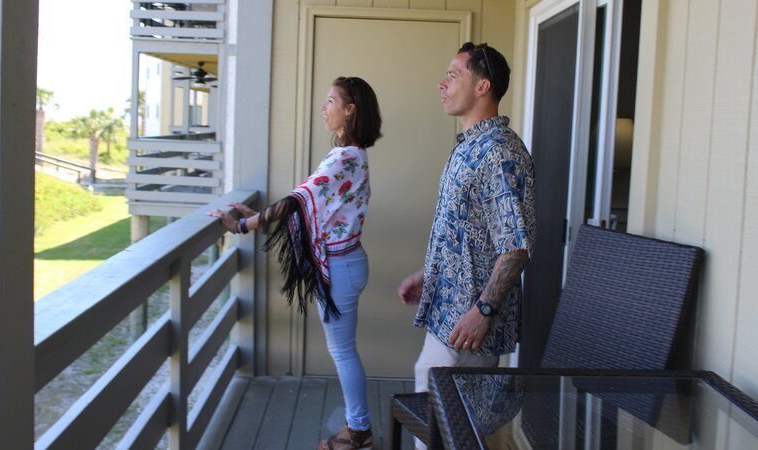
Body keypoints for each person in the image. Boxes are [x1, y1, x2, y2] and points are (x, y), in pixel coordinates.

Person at [210, 76, 382, 450]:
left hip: (341, 268)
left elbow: (296, 202)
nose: (324, 107)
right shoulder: (350, 157)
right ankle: (358, 428)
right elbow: (308, 205)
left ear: (349, 110)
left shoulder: (346, 157)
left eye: (330, 101)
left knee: (342, 351)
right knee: (344, 349)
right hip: (343, 264)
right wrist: (259, 215)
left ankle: (360, 433)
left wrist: (243, 224)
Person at [397, 42, 536, 449]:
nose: (442, 84)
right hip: (450, 309)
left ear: (483, 86)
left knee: (446, 428)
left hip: (468, 325)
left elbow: (515, 248)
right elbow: (470, 234)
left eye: (454, 75)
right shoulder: (471, 146)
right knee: (442, 421)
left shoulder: (498, 152)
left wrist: (484, 310)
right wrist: (432, 274)